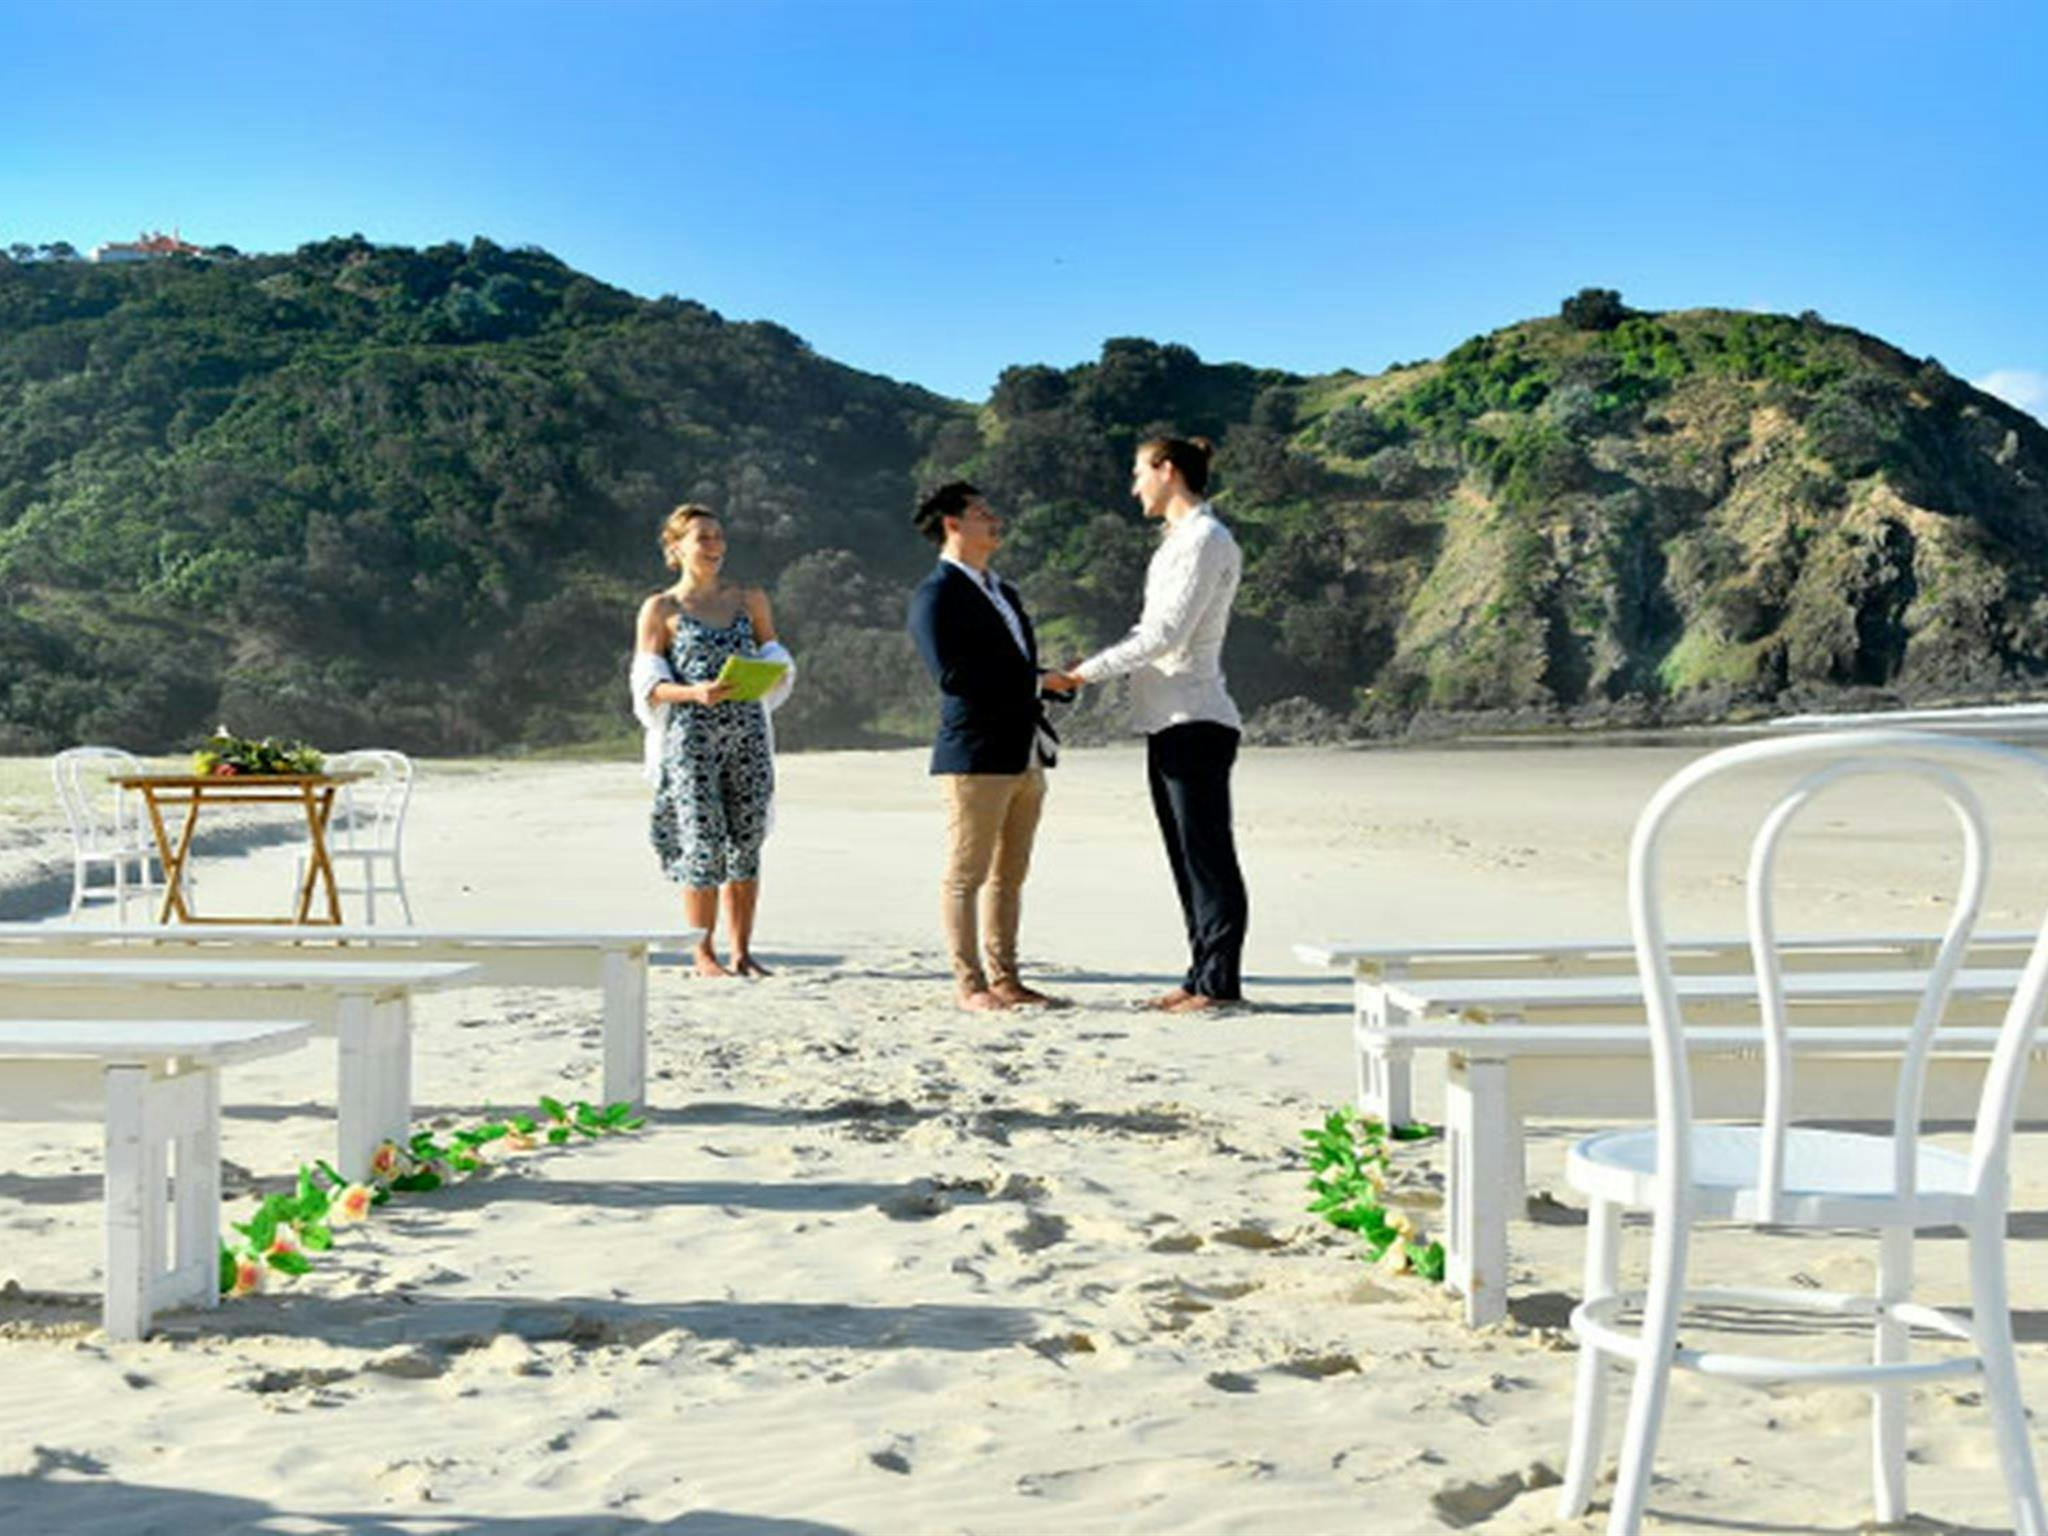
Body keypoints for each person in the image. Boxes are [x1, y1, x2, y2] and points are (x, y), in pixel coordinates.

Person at [1045, 436, 1248, 1012]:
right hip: (1168, 720)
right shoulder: (1181, 542)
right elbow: (1152, 631)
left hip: (1196, 717)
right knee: (1186, 857)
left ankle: (1219, 983)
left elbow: (1165, 636)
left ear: (1168, 470)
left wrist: (1082, 674)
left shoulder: (1206, 539)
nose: (1134, 486)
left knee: (1207, 857)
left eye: (1139, 472)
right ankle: (1200, 975)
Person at [906, 481, 1061, 1012]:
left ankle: (1006, 978)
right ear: (952, 524)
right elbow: (952, 675)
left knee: (1011, 874)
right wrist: (1036, 683)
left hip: (1024, 748)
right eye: (981, 513)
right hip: (974, 751)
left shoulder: (1004, 591)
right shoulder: (936, 594)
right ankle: (969, 983)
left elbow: (1016, 666)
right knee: (966, 873)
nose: (994, 520)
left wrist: (1044, 682)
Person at [630, 504, 795, 977]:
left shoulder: (750, 599)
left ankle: (742, 950)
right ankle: (703, 953)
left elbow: (775, 652)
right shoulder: (662, 608)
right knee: (701, 842)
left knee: (747, 840)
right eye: (703, 537)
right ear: (675, 547)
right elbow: (647, 681)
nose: (715, 546)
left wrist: (772, 672)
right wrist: (694, 692)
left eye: (719, 536)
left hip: (747, 732)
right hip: (691, 738)